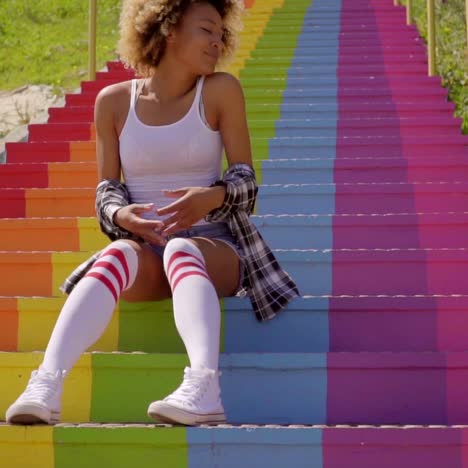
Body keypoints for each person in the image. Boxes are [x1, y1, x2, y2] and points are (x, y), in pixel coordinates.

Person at [5, 0, 299, 427]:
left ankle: (203, 387)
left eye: (221, 33)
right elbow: (107, 191)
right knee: (115, 255)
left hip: (216, 250)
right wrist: (122, 217)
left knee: (182, 247)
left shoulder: (220, 90)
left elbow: (246, 182)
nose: (218, 42)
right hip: (147, 253)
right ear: (168, 29)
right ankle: (46, 386)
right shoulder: (113, 102)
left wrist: (210, 196)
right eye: (207, 30)